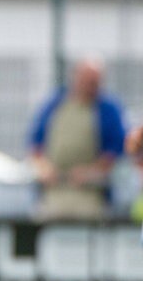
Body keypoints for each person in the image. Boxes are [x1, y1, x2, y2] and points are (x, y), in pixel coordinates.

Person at [28, 58, 126, 221]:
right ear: (75, 78)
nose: (90, 87)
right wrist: (44, 168)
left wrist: (90, 173)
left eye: (94, 82)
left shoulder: (109, 110)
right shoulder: (54, 104)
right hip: (54, 190)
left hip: (90, 193)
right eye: (86, 81)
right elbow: (35, 145)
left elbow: (114, 152)